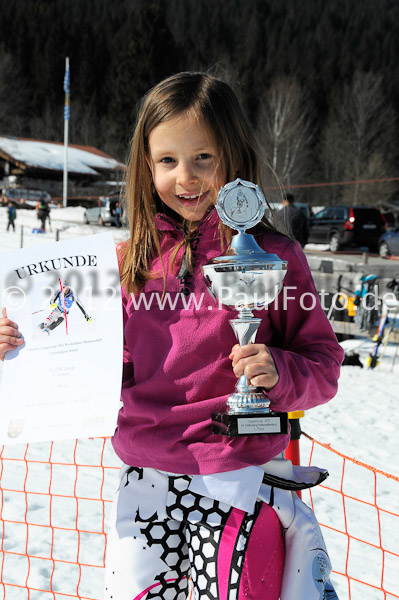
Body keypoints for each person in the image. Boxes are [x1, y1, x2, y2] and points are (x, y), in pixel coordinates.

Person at [0, 72, 344, 600]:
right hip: (146, 481)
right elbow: (93, 357)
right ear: (146, 166)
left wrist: (280, 372)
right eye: (167, 161)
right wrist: (22, 342)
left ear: (234, 157)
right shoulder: (120, 265)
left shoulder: (274, 257)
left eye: (203, 158)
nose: (186, 177)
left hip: (238, 477)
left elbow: (322, 362)